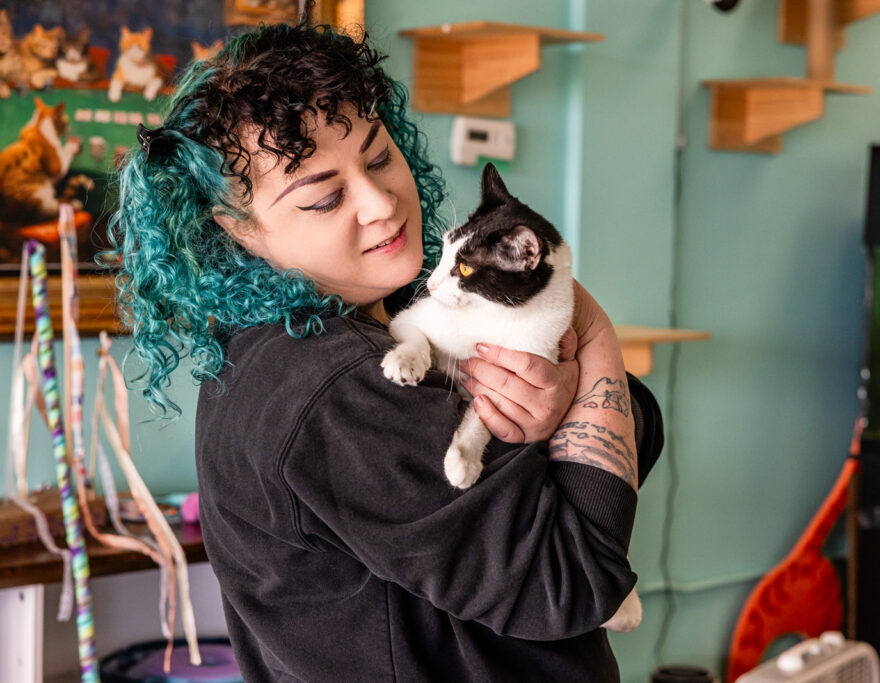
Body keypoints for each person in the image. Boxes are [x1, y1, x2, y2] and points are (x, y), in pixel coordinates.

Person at [109, 19, 664, 683]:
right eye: (324, 197)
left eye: (377, 158)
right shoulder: (334, 380)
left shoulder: (366, 320)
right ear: (238, 228)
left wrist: (552, 413)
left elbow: (638, 428)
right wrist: (587, 326)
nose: (379, 203)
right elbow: (578, 580)